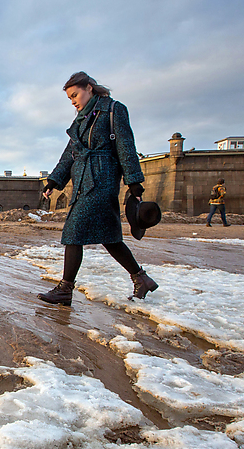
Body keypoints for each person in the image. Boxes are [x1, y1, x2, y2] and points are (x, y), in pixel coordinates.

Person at [39, 72, 158, 306]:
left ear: (89, 88)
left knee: (73, 233)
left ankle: (65, 289)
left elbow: (126, 145)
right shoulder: (80, 121)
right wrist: (54, 180)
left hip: (102, 181)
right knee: (109, 237)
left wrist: (133, 181)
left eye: (76, 94)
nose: (73, 101)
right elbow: (69, 155)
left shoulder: (113, 109)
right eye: (69, 98)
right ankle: (141, 278)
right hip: (83, 182)